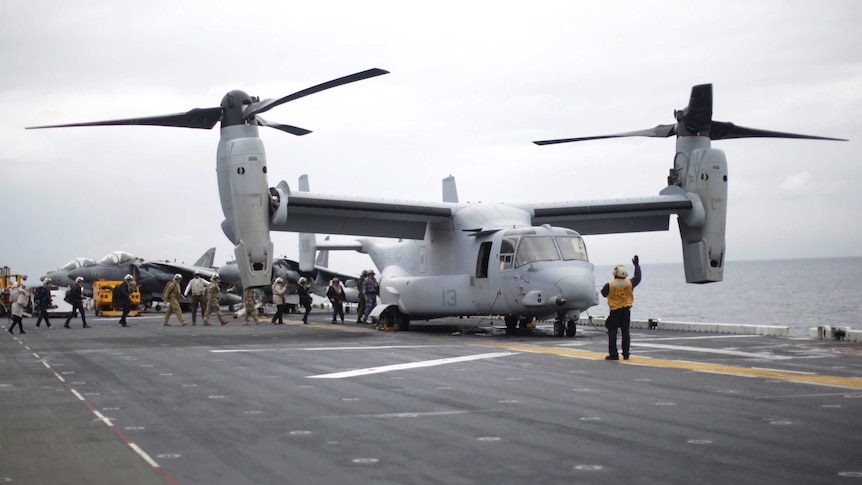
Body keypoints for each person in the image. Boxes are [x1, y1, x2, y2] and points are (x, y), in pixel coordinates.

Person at [601, 255, 641, 361]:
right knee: (625, 332)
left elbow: (603, 293)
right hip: (626, 310)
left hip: (614, 311)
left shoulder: (610, 284)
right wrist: (637, 267)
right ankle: (626, 353)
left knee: (612, 332)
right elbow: (638, 278)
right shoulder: (629, 283)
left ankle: (614, 354)